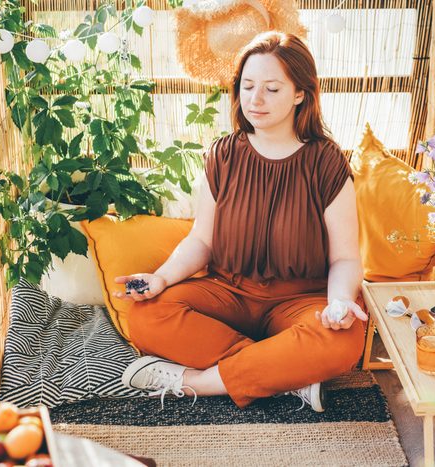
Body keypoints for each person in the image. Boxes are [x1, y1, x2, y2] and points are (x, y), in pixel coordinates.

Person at [114, 31, 367, 412]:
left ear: (301, 93)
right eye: (247, 86)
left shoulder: (326, 162)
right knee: (146, 314)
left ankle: (197, 381)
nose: (255, 99)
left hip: (300, 301)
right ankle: (281, 374)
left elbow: (345, 259)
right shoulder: (223, 155)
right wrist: (161, 278)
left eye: (271, 88)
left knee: (345, 339)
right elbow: (201, 242)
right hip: (228, 294)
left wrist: (340, 302)